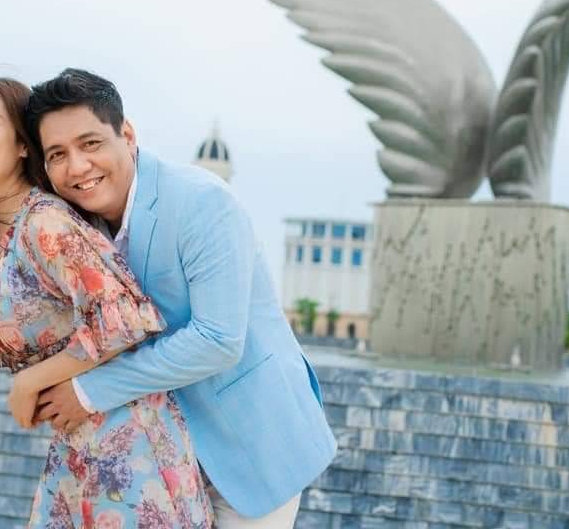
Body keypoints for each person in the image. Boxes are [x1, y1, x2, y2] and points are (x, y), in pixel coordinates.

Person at [25, 69, 337, 527]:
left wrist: (88, 392)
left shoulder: (202, 201)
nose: (77, 166)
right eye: (58, 154)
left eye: (90, 144)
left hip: (248, 446)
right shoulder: (72, 225)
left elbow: (217, 340)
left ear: (127, 135)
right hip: (154, 460)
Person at [0, 76, 214, 528]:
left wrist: (29, 382)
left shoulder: (44, 223)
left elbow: (124, 320)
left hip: (129, 446)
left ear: (22, 145)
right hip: (77, 447)